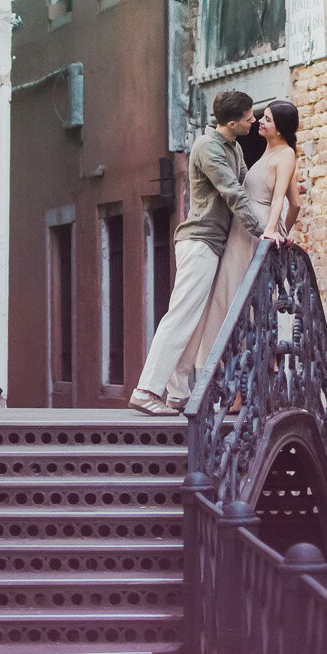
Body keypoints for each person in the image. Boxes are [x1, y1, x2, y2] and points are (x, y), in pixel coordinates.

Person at [131, 91, 279, 416]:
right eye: (248, 117)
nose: (253, 121)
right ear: (231, 122)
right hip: (198, 241)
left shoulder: (234, 147)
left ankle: (177, 393)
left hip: (213, 244)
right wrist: (263, 232)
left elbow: (247, 186)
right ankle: (146, 391)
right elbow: (235, 194)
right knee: (181, 317)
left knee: (195, 321)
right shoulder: (208, 148)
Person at [193, 100, 302, 373]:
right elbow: (297, 204)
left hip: (257, 230)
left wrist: (275, 230)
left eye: (266, 119)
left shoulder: (286, 154)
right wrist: (282, 229)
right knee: (229, 297)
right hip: (243, 229)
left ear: (279, 128)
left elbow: (282, 200)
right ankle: (228, 374)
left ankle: (247, 380)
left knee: (245, 302)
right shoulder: (265, 152)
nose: (259, 122)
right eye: (260, 117)